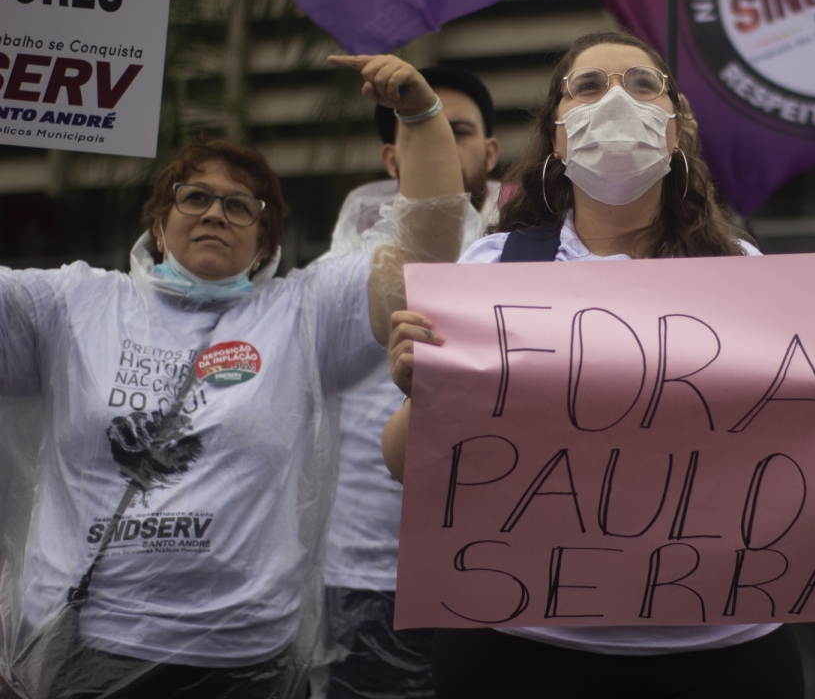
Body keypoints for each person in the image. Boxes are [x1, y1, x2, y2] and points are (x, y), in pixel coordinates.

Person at [364, 30, 815, 699]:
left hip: (720, 660)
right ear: (557, 136)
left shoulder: (745, 273)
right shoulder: (494, 270)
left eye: (643, 85)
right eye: (588, 86)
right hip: (521, 654)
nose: (616, 100)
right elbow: (406, 463)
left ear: (674, 131)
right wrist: (426, 393)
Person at [0, 54, 466, 697]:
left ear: (265, 244)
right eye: (195, 197)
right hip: (81, 646)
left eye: (240, 207)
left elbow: (426, 254)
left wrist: (420, 114)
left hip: (243, 659)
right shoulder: (72, 302)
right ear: (158, 225)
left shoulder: (306, 313)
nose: (215, 213)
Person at [320, 66, 499, 699]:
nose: (444, 146)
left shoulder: (539, 257)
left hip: (500, 566)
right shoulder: (341, 268)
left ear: (491, 152)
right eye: (427, 131)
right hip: (366, 573)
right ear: (393, 157)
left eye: (459, 131)